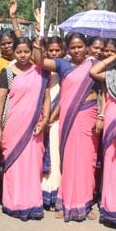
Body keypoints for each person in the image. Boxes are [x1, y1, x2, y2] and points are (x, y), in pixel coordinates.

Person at [32, 32, 100, 221]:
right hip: (69, 118)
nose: (77, 50)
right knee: (69, 161)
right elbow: (39, 61)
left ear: (86, 47)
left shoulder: (95, 64)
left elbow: (104, 90)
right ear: (67, 49)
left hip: (89, 115)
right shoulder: (63, 64)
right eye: (73, 47)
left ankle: (85, 203)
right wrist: (38, 42)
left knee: (87, 161)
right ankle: (67, 201)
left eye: (80, 46)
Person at [0, 37, 50, 221]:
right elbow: (0, 100)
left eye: (27, 51)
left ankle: (32, 204)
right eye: (19, 52)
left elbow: (46, 98)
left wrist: (45, 119)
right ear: (14, 52)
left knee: (32, 166)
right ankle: (13, 203)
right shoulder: (7, 72)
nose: (23, 55)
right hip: (13, 125)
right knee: (14, 165)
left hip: (34, 126)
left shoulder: (40, 72)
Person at [90, 38, 116, 226]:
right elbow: (93, 71)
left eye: (112, 50)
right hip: (112, 116)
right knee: (111, 162)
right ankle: (112, 205)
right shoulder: (109, 73)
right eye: (105, 50)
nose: (107, 53)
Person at [40, 36, 64, 210]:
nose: (54, 53)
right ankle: (41, 194)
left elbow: (66, 96)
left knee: (55, 156)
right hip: (41, 118)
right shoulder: (41, 70)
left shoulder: (65, 70)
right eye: (51, 50)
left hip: (57, 118)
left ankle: (54, 194)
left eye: (58, 50)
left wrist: (53, 115)